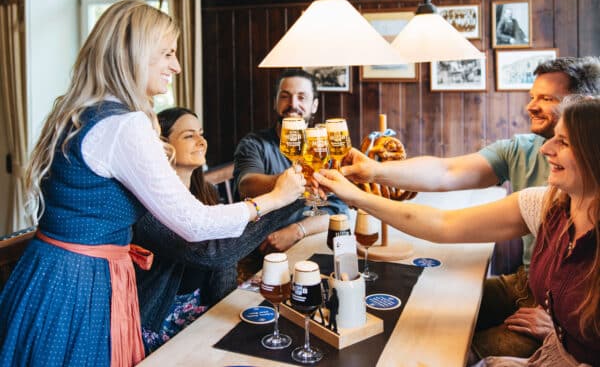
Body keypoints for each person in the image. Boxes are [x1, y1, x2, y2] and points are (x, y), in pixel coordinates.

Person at [0, 0, 304, 367]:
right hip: (83, 285)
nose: (176, 66)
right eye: (167, 54)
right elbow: (194, 225)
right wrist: (273, 199)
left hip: (45, 273)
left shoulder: (76, 110)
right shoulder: (125, 125)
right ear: (134, 54)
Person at [335, 56, 600, 359]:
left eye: (547, 98)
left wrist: (562, 330)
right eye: (532, 96)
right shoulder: (542, 193)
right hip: (531, 284)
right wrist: (373, 172)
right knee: (428, 307)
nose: (532, 106)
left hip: (563, 316)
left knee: (452, 349)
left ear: (586, 110)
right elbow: (445, 181)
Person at [133, 107, 305, 353]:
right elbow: (213, 252)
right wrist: (286, 199)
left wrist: (229, 314)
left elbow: (224, 262)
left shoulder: (207, 194)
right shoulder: (149, 207)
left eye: (201, 133)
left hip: (205, 315)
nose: (201, 141)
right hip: (160, 327)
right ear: (163, 145)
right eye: (189, 135)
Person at [233, 68, 348, 256]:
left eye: (302, 97)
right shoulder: (254, 144)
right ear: (275, 102)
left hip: (312, 241)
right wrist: (296, 181)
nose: (293, 104)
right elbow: (246, 186)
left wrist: (297, 230)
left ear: (315, 105)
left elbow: (339, 211)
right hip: (266, 249)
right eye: (285, 96)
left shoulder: (322, 148)